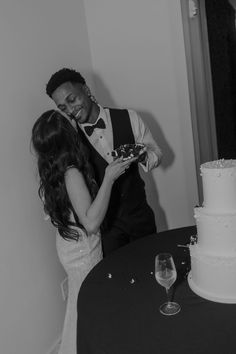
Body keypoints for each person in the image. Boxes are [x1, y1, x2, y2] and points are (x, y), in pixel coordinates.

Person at [31, 110, 136, 354]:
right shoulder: (71, 173)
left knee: (80, 304)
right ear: (67, 138)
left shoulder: (49, 172)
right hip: (82, 249)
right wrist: (109, 177)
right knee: (87, 306)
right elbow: (90, 223)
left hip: (68, 246)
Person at [46, 67, 163, 256]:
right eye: (63, 108)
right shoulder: (71, 141)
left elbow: (156, 153)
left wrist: (142, 155)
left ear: (86, 90)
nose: (70, 110)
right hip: (109, 232)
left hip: (141, 218)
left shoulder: (130, 117)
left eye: (71, 100)